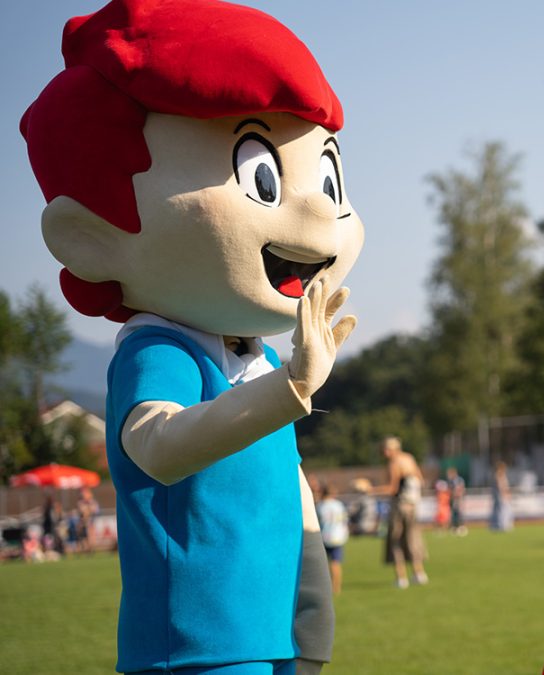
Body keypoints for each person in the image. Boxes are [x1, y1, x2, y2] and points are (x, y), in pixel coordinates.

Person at [22, 1, 362, 671]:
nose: (322, 209)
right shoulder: (160, 350)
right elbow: (157, 443)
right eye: (262, 176)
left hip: (272, 639)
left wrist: (312, 605)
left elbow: (285, 486)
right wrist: (289, 389)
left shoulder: (259, 357)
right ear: (89, 238)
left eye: (328, 176)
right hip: (193, 649)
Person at [377, 437, 428, 589]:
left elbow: (392, 489)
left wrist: (370, 490)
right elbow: (421, 480)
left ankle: (401, 578)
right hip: (413, 505)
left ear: (392, 449)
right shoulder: (409, 458)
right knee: (413, 539)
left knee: (396, 540)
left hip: (399, 506)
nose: (384, 453)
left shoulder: (394, 463)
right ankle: (419, 574)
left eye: (386, 449)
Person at [314, 481, 349, 595]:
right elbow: (344, 520)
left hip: (324, 536)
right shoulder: (339, 504)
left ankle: (324, 587)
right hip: (338, 536)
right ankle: (336, 587)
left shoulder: (321, 505)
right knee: (336, 563)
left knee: (322, 564)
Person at [489, 461, 514, 532]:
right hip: (501, 495)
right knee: (502, 511)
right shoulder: (499, 475)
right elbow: (502, 487)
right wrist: (505, 494)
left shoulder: (497, 475)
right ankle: (502, 525)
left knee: (498, 510)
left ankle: (496, 525)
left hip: (498, 495)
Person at [447, 466, 467, 536]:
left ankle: (461, 526)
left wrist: (458, 495)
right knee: (454, 513)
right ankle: (455, 527)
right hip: (453, 499)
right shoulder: (451, 481)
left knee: (459, 513)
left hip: (458, 499)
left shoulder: (459, 480)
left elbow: (462, 489)